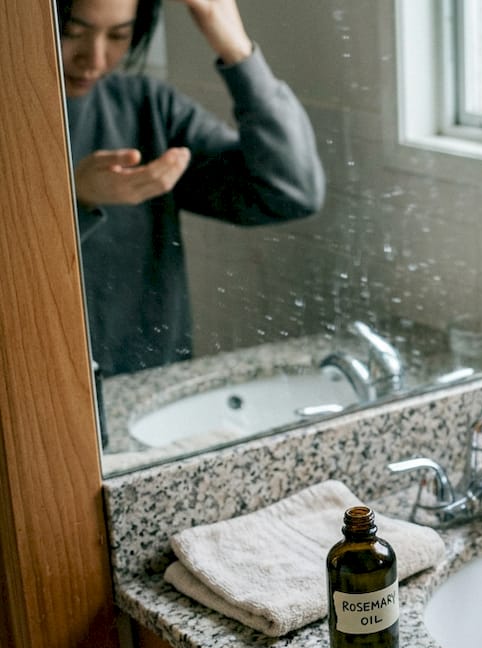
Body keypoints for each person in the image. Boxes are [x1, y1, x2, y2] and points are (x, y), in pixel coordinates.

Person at [60, 0, 325, 377]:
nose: (94, 59)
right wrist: (73, 196)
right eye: (72, 32)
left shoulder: (149, 108)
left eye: (119, 35)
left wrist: (235, 49)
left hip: (151, 387)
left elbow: (291, 191)